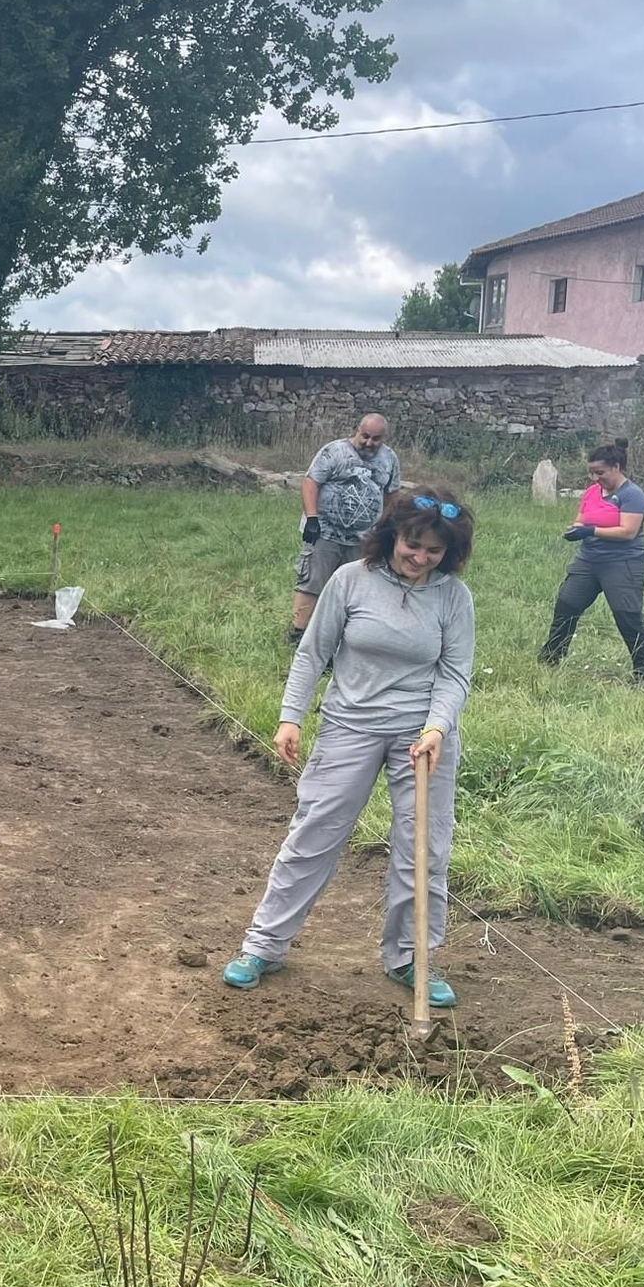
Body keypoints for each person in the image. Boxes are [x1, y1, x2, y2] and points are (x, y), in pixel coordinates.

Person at [225, 488, 476, 1008]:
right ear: (392, 536)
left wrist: (436, 728)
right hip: (349, 725)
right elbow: (313, 652)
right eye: (413, 544)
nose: (420, 558)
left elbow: (454, 673)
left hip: (422, 737)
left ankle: (411, 958)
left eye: (434, 551)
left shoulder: (454, 596)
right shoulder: (350, 580)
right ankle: (264, 946)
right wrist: (290, 717)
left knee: (423, 850)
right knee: (315, 832)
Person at [540, 438, 644, 682]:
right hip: (589, 560)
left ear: (616, 467)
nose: (595, 478)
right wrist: (575, 530)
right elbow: (581, 519)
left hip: (623, 562)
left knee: (627, 615)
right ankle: (551, 658)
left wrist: (591, 531)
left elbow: (628, 531)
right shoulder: (593, 492)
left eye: (600, 472)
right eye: (591, 472)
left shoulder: (632, 495)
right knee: (567, 605)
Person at [289, 414, 400, 646]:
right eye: (365, 436)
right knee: (313, 580)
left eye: (376, 439)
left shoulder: (390, 459)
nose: (369, 443)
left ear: (384, 438)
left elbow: (392, 493)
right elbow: (311, 482)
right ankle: (298, 633)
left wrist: (384, 524)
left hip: (362, 538)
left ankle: (341, 636)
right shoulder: (333, 451)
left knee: (352, 589)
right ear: (356, 431)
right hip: (324, 532)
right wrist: (312, 518)